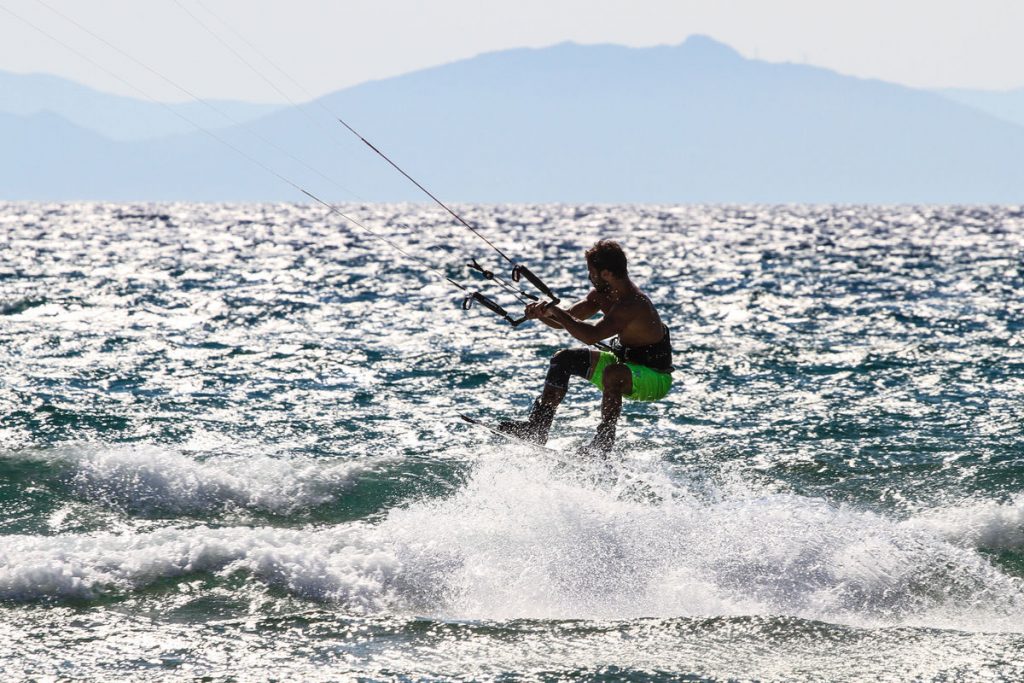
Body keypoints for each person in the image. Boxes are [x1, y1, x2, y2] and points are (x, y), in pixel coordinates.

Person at [499, 239, 673, 454]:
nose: (590, 278)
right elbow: (566, 321)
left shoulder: (633, 304)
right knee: (563, 359)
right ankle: (538, 426)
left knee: (613, 373)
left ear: (607, 274)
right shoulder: (601, 296)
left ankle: (603, 443)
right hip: (625, 364)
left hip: (654, 378)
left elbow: (591, 335)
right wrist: (543, 314)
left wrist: (557, 312)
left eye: (592, 273)